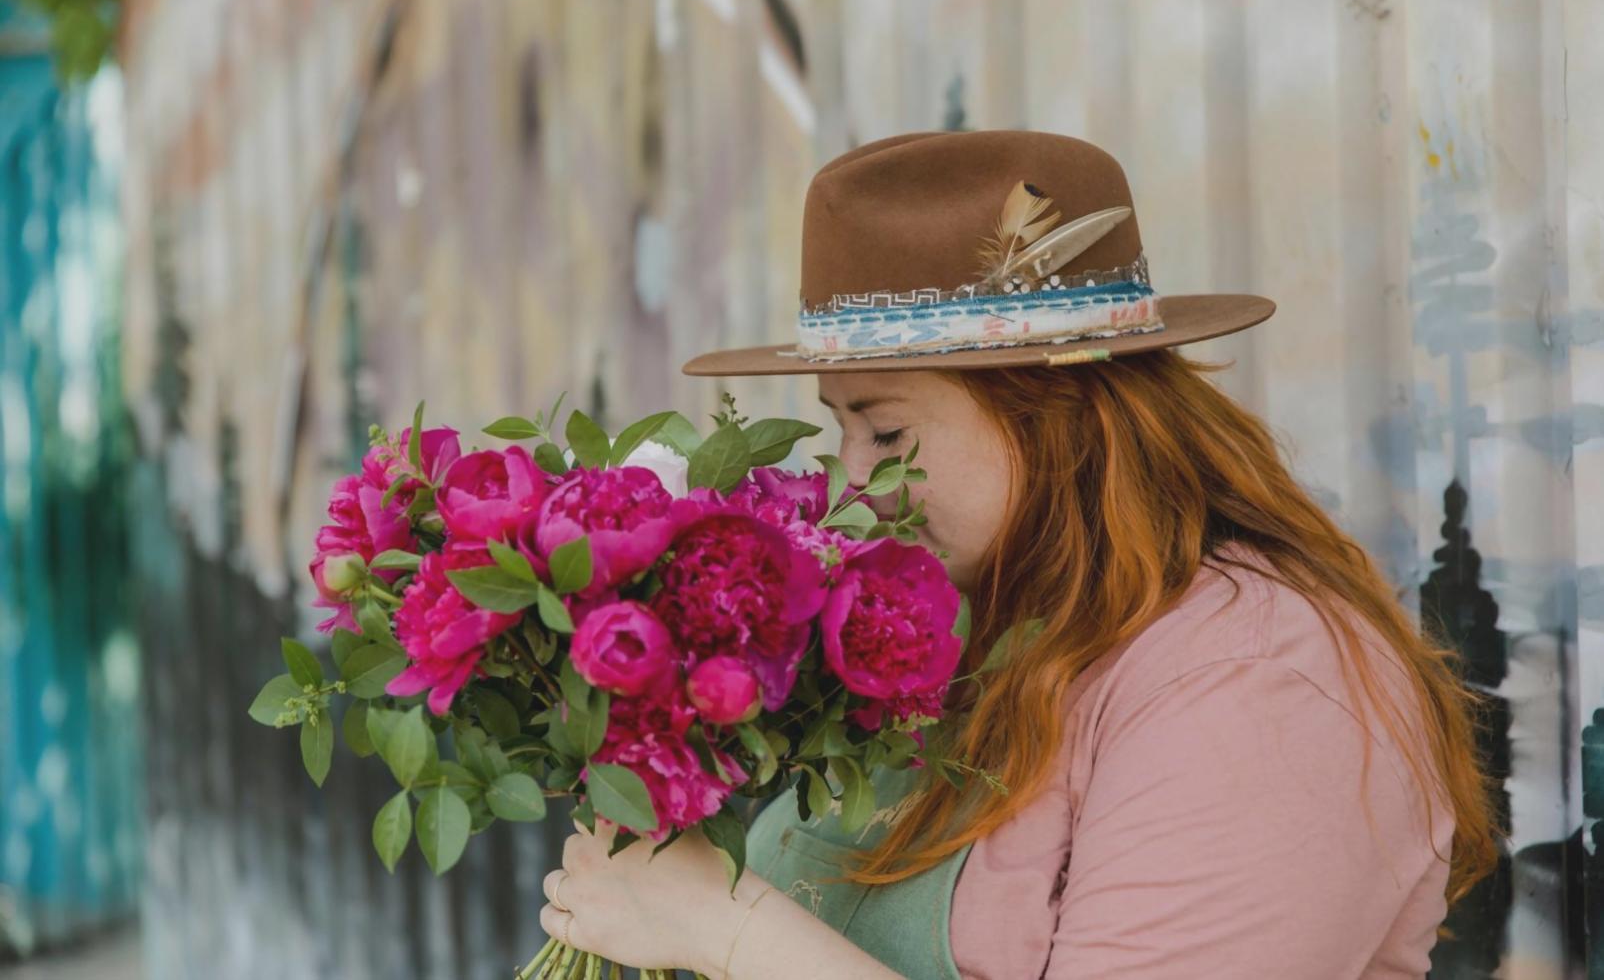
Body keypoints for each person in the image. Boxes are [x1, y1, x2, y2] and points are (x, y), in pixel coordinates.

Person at [535, 130, 1501, 978]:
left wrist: (723, 927)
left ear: (1056, 414)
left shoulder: (1257, 682)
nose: (850, 485)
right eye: (840, 430)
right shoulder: (964, 633)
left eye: (887, 432)